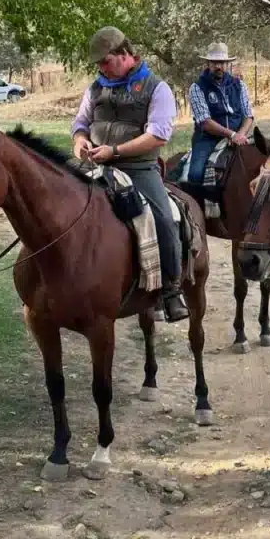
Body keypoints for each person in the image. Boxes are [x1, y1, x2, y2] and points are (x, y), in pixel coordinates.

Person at [70, 26, 189, 322]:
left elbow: (158, 136)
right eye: (97, 64)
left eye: (106, 62)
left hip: (138, 169)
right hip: (94, 165)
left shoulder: (156, 88)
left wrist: (116, 151)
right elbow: (80, 123)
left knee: (164, 217)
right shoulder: (95, 88)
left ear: (125, 55)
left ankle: (171, 290)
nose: (101, 69)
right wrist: (80, 142)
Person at [181, 42, 254, 185]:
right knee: (195, 175)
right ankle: (198, 205)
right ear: (208, 64)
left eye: (222, 62)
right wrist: (231, 135)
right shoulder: (197, 88)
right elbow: (205, 122)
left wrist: (240, 134)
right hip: (208, 138)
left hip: (239, 135)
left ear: (227, 64)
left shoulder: (239, 85)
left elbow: (248, 115)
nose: (219, 66)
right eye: (214, 63)